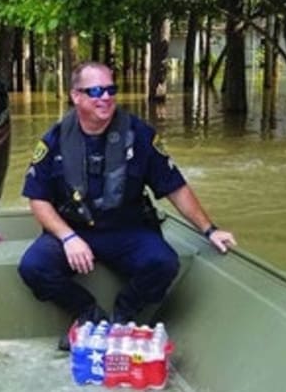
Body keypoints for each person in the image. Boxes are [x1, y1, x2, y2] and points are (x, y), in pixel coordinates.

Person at [17, 61, 237, 350]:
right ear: (76, 96)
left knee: (163, 263)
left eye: (110, 89)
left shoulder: (140, 135)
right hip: (74, 229)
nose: (105, 97)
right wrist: (68, 237)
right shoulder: (54, 140)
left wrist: (210, 230)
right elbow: (38, 199)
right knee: (33, 267)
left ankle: (123, 316)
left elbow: (174, 186)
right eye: (95, 90)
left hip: (126, 228)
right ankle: (88, 314)